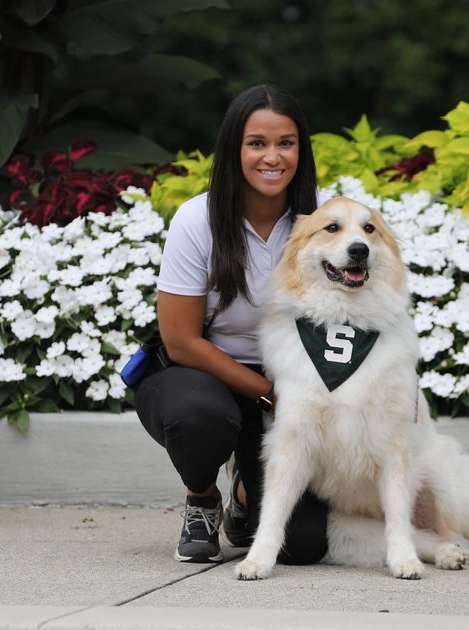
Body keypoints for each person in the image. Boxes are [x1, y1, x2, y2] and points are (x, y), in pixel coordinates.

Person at [134, 84, 331, 564]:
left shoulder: (324, 217)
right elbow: (180, 341)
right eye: (257, 143)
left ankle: (246, 497)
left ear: (300, 150)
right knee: (197, 416)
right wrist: (268, 392)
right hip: (203, 377)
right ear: (233, 149)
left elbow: (356, 313)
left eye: (286, 143)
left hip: (289, 383)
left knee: (302, 547)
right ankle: (202, 498)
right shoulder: (196, 220)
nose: (273, 157)